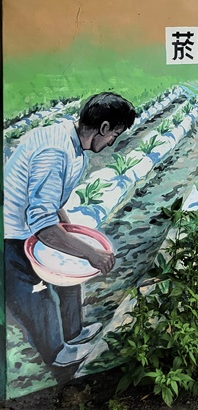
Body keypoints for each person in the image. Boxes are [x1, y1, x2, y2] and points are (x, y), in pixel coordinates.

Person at [4, 92, 136, 369]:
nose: (114, 141)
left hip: (33, 224)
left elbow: (51, 204)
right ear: (103, 128)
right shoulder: (55, 152)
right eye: (115, 134)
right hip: (12, 232)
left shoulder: (73, 142)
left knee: (71, 271)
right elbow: (42, 223)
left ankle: (74, 333)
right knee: (36, 295)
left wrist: (72, 235)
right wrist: (91, 253)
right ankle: (56, 352)